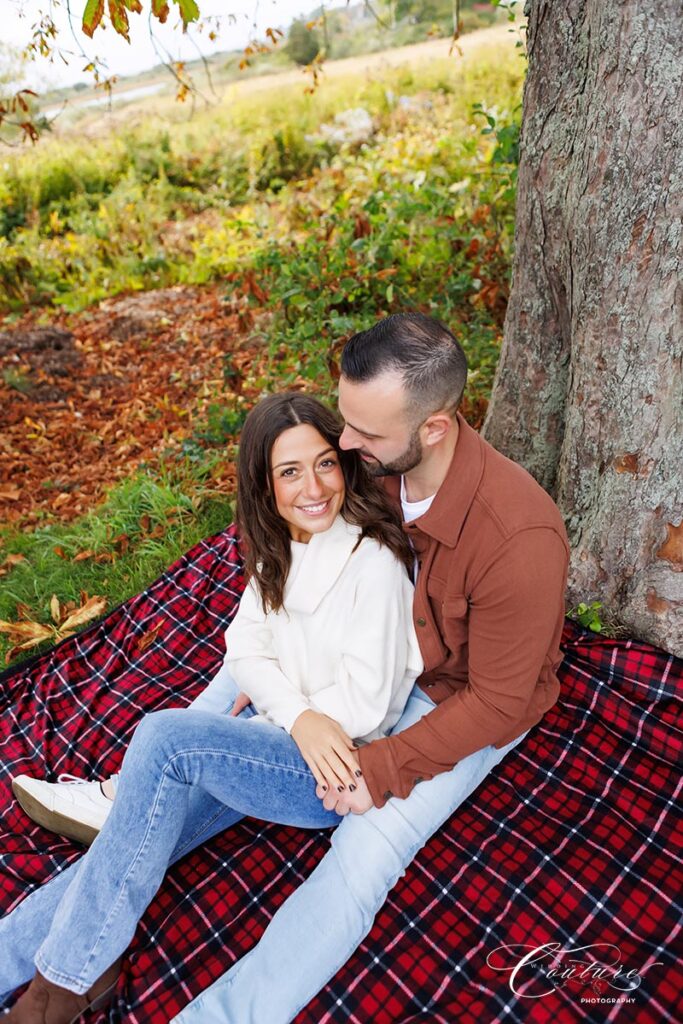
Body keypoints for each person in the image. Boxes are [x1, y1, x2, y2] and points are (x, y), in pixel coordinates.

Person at [166, 312, 570, 1024]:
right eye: (343, 422)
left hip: (450, 697)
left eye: (364, 434)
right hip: (357, 642)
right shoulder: (371, 458)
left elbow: (500, 703)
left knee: (362, 855)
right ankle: (128, 800)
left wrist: (382, 768)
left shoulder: (519, 538)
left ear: (435, 428)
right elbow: (294, 561)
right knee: (215, 702)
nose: (343, 446)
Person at [1, 392, 423, 1022]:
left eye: (325, 464)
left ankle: (57, 988)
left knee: (166, 742)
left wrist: (297, 717)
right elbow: (244, 650)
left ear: (345, 464)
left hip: (334, 771)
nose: (312, 487)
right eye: (289, 472)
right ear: (264, 483)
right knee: (131, 840)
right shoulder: (281, 544)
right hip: (285, 734)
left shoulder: (375, 561)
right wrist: (295, 711)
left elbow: (364, 706)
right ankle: (21, 958)